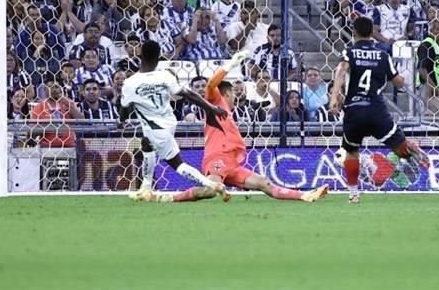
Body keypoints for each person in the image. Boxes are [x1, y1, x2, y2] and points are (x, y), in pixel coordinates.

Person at [136, 47, 327, 203]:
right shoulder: (215, 103)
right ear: (226, 94)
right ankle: (166, 198)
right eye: (234, 94)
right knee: (210, 189)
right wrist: (231, 64)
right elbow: (211, 85)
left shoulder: (229, 113)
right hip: (218, 157)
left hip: (232, 164)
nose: (236, 97)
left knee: (263, 183)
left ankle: (305, 195)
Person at [328, 16, 429, 203]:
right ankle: (409, 147)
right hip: (376, 109)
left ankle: (353, 193)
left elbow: (341, 70)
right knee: (399, 149)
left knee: (351, 152)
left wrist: (334, 97)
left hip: (355, 110)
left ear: (354, 32)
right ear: (372, 33)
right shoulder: (383, 55)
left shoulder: (349, 52)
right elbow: (398, 83)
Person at [122, 40, 227, 198]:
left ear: (140, 55)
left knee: (178, 164)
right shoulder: (165, 76)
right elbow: (188, 94)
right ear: (159, 57)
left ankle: (212, 184)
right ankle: (146, 187)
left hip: (157, 129)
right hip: (169, 123)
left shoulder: (130, 83)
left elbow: (124, 110)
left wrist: (122, 118)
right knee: (146, 143)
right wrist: (211, 108)